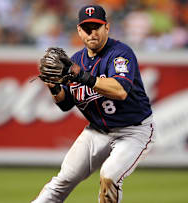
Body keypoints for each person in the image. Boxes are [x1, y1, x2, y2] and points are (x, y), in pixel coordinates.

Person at [32, 4, 156, 203]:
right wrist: (53, 87)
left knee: (109, 175)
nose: (92, 33)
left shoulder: (120, 54)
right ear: (79, 31)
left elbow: (120, 90)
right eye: (87, 28)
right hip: (97, 131)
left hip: (134, 132)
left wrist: (82, 76)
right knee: (64, 179)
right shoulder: (76, 60)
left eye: (96, 27)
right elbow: (65, 104)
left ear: (107, 28)